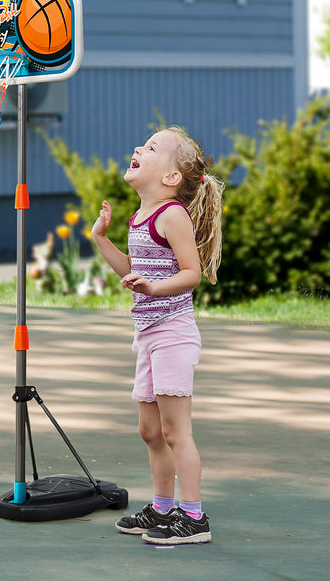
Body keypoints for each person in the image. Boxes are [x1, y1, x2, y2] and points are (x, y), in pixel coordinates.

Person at [91, 126, 224, 546]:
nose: (137, 148)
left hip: (172, 333)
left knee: (174, 431)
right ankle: (163, 507)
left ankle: (194, 516)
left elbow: (191, 274)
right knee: (150, 431)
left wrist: (152, 287)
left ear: (170, 178)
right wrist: (100, 238)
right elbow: (133, 266)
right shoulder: (140, 218)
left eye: (150, 148)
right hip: (149, 334)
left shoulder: (172, 215)